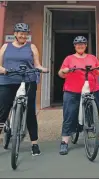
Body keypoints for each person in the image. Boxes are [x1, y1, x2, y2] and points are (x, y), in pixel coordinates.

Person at [0, 23, 48, 156]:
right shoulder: (6, 46)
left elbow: (37, 64)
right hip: (8, 80)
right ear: (15, 34)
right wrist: (2, 70)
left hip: (28, 80)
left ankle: (34, 143)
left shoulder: (31, 47)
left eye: (25, 33)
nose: (23, 36)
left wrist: (42, 69)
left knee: (30, 112)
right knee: (3, 110)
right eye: (20, 33)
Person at [58, 36, 99, 155]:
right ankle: (64, 141)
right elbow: (61, 73)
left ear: (86, 45)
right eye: (78, 44)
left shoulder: (92, 58)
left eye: (83, 44)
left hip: (92, 89)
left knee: (95, 114)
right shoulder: (69, 59)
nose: (80, 46)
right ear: (74, 46)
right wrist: (65, 71)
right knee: (69, 115)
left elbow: (98, 71)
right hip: (72, 90)